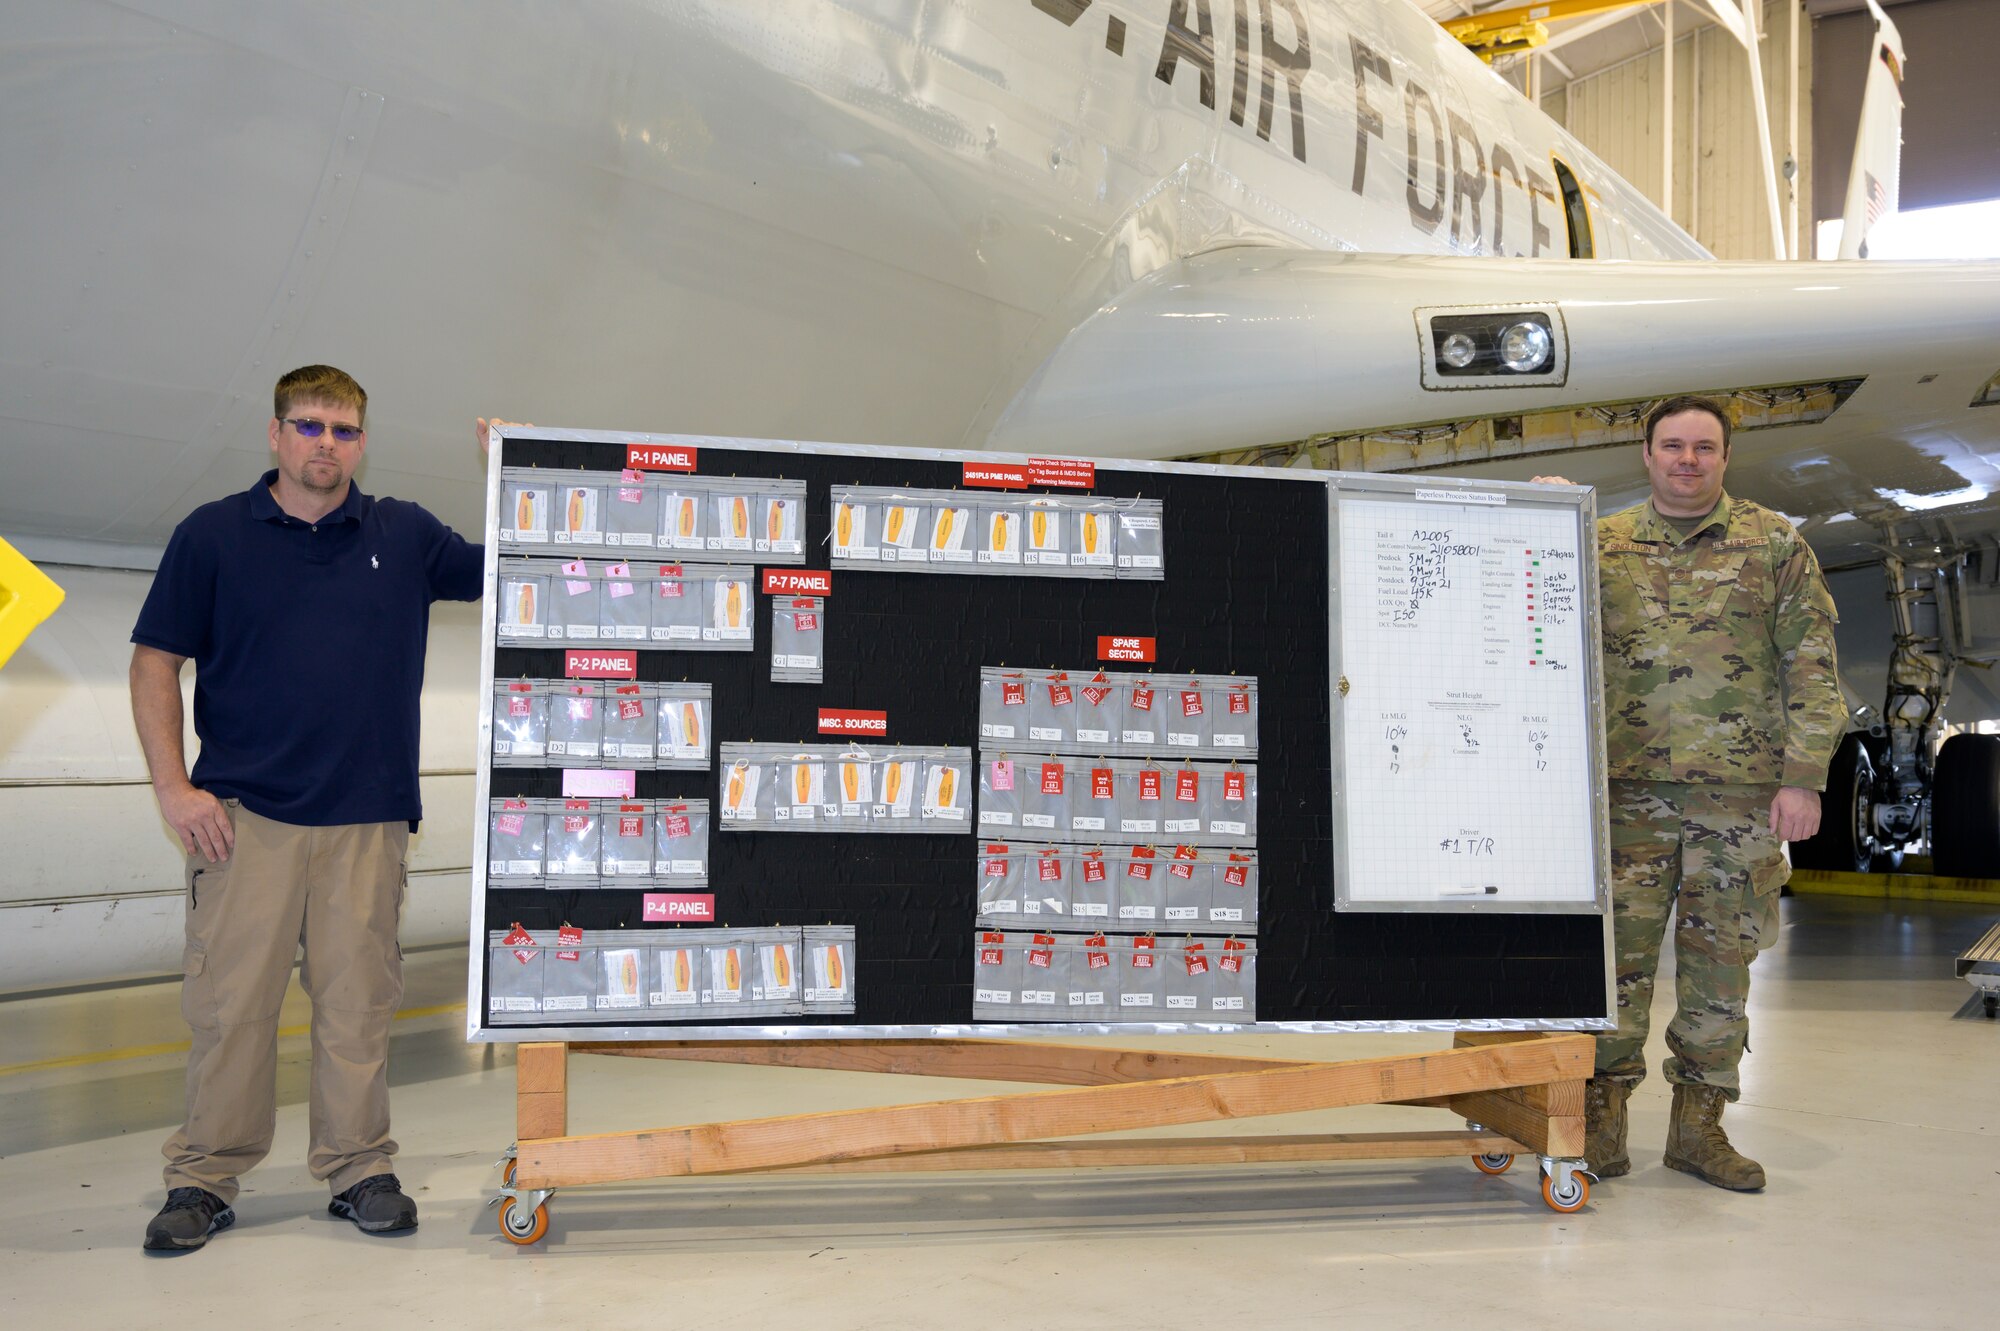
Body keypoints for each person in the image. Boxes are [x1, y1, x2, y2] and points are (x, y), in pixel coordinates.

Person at [129, 366, 487, 1250]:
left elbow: (505, 571)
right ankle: (205, 1178)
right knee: (230, 1008)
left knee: (358, 1004)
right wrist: (175, 788)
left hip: (366, 819)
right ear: (276, 433)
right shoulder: (212, 535)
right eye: (310, 425)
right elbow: (152, 663)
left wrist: (512, 471)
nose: (326, 443)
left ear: (363, 441)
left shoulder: (404, 533)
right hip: (244, 819)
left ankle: (360, 1166)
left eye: (344, 429)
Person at [1535, 395, 1845, 1191]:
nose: (1686, 459)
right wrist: (1534, 517)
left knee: (1721, 966)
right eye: (1671, 445)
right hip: (1621, 794)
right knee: (1614, 967)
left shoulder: (1775, 546)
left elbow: (1812, 666)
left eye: (1703, 447)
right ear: (1645, 453)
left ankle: (1698, 1127)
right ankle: (1600, 1118)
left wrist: (1804, 778)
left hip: (1737, 804)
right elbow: (1526, 619)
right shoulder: (1598, 544)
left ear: (1725, 457)